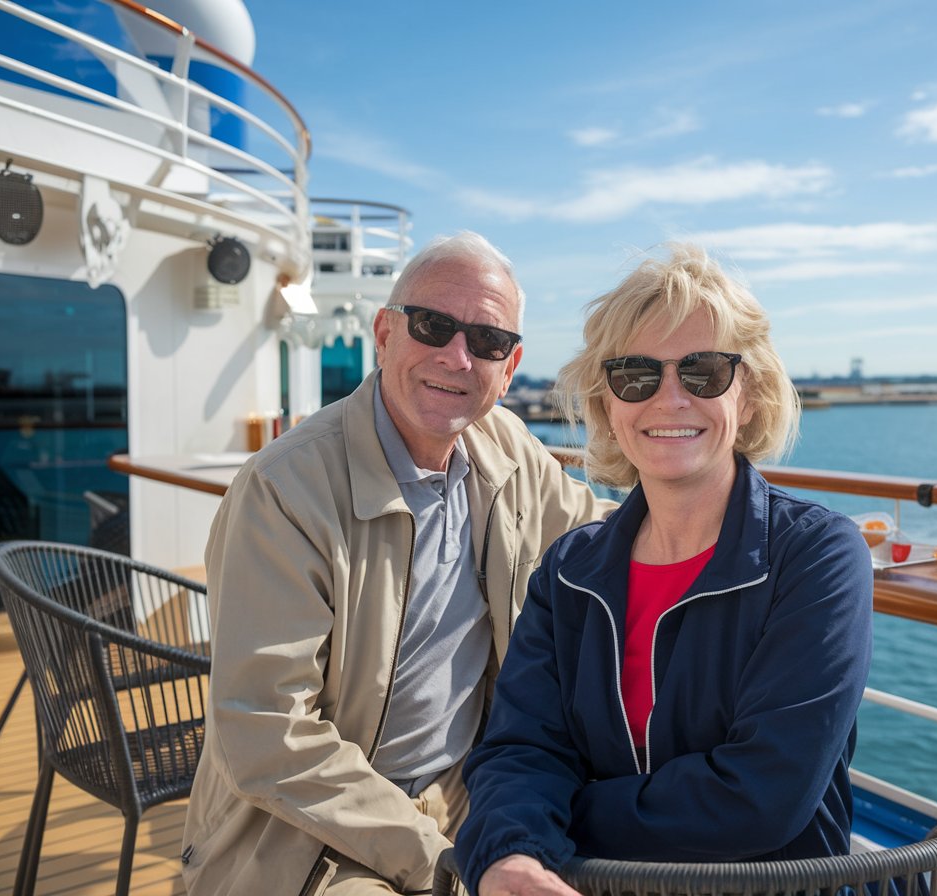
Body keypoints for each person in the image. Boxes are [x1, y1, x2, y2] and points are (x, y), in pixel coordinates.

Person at [180, 232, 616, 896]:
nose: (458, 357)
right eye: (434, 326)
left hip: (468, 798)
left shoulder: (505, 450)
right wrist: (443, 862)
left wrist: (763, 534)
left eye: (488, 341)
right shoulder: (286, 490)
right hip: (309, 835)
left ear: (510, 362)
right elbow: (265, 730)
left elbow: (610, 541)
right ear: (385, 333)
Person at [455, 243, 875, 896]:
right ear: (608, 406)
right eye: (636, 375)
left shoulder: (816, 556)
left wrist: (563, 815)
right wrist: (513, 855)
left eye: (703, 372)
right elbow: (522, 752)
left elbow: (763, 795)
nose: (669, 398)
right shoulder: (571, 571)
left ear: (752, 395)